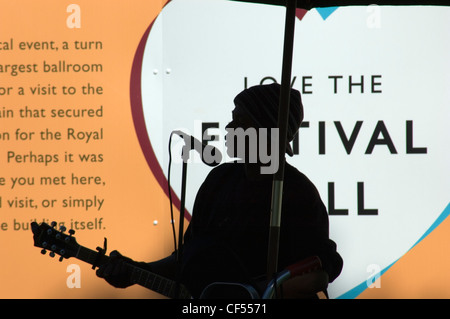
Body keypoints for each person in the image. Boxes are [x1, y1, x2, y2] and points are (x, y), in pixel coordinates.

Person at [96, 83, 343, 298]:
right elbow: (188, 258)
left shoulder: (297, 193)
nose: (228, 126)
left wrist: (271, 290)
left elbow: (323, 267)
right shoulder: (220, 181)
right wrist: (139, 270)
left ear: (265, 131)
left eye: (240, 121)